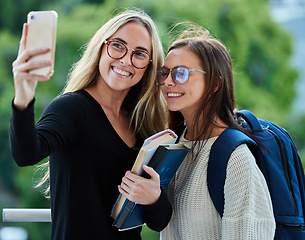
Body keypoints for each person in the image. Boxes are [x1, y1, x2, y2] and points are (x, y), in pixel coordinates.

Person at [10, 9, 172, 240]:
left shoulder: (142, 124)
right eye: (118, 45)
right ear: (101, 48)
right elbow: (25, 154)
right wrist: (23, 97)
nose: (126, 60)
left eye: (140, 53)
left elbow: (159, 221)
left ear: (148, 65)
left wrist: (155, 197)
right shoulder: (71, 108)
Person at [156, 27, 276, 239]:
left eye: (181, 73)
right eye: (164, 73)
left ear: (215, 83)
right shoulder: (173, 147)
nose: (167, 82)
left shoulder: (237, 159)